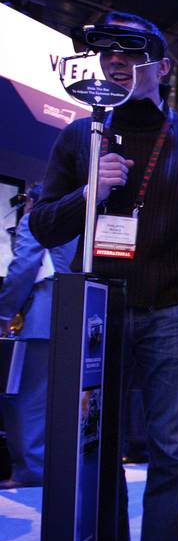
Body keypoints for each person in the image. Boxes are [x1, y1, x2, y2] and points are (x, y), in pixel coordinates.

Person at [30, 13, 178, 541]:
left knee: (172, 448)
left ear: (163, 67)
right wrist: (90, 189)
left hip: (172, 309)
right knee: (99, 442)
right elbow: (45, 224)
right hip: (99, 309)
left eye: (132, 51)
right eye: (108, 53)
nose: (117, 60)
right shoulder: (80, 136)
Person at [0, 188, 77, 489]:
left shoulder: (35, 219)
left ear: (33, 199)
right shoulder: (78, 218)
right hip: (77, 311)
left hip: (39, 316)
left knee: (24, 396)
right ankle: (57, 463)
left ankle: (30, 470)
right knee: (63, 396)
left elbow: (23, 267)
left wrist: (5, 311)